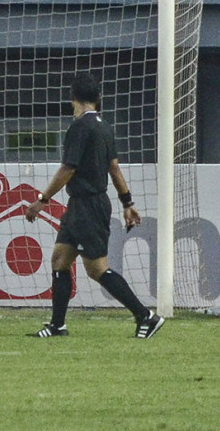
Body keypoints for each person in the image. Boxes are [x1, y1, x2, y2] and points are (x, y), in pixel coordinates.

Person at [24, 72, 164, 339]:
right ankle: (57, 325)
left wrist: (42, 200)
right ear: (98, 99)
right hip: (84, 205)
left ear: (72, 98)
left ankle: (145, 316)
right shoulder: (104, 127)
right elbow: (113, 167)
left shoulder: (80, 127)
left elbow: (68, 168)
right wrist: (127, 202)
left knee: (96, 268)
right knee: (60, 259)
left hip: (87, 206)